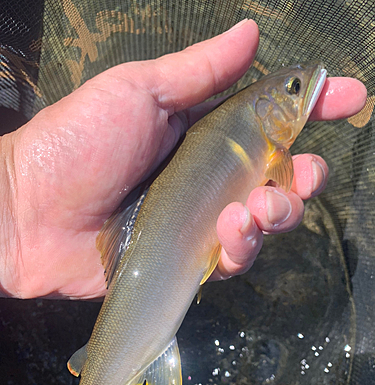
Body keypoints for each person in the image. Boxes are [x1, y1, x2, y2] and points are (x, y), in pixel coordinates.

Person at [0, 19, 367, 300]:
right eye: (294, 89)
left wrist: (16, 200)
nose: (299, 90)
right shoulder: (275, 154)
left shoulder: (266, 142)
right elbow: (281, 177)